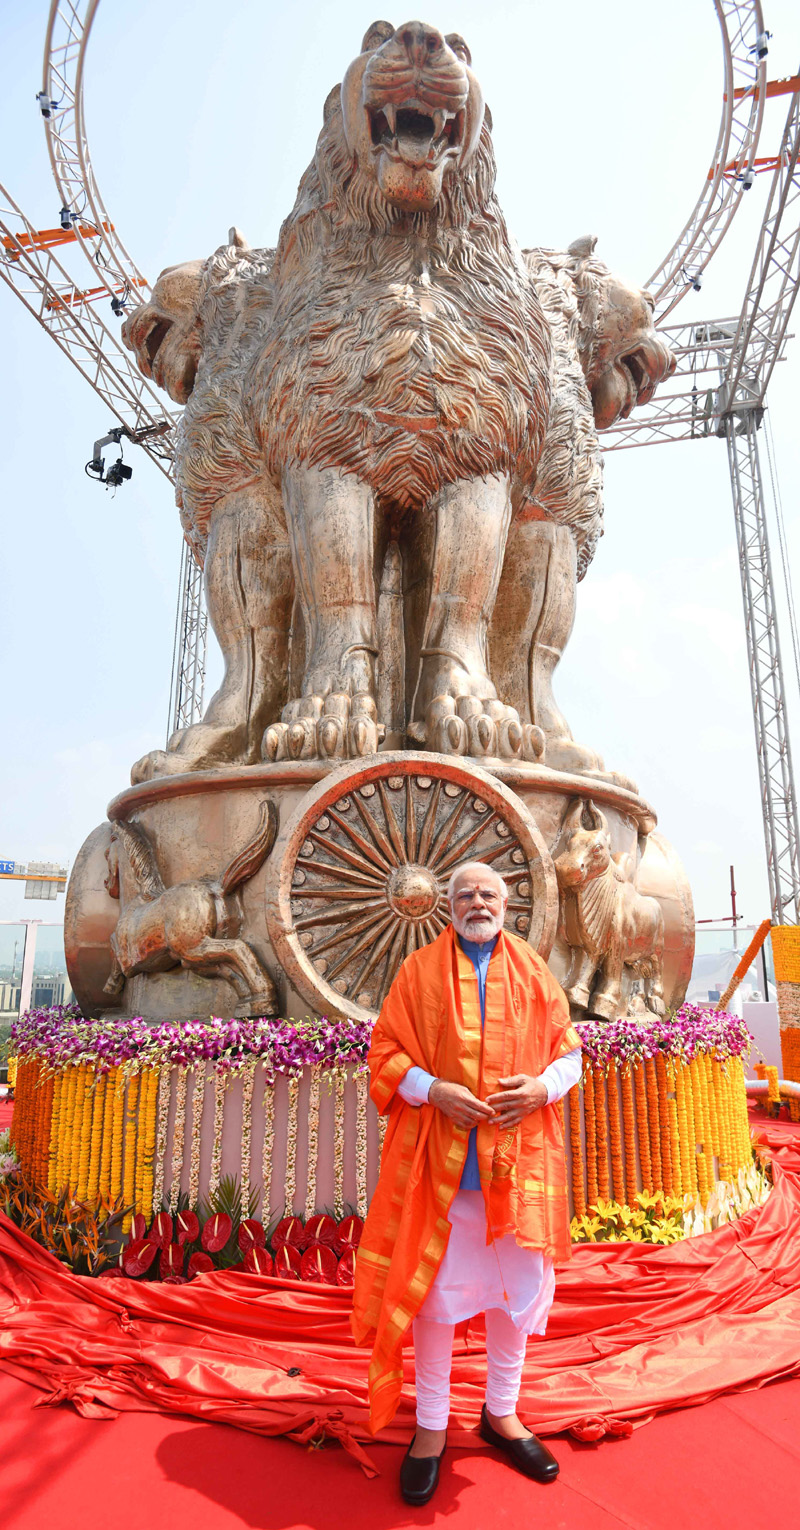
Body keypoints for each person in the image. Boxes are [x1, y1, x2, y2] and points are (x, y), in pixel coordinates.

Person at [351, 861, 582, 1505]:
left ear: (506, 904)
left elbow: (571, 1053)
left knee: (516, 1297)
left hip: (518, 1167)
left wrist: (541, 1088)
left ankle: (501, 1412)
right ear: (444, 905)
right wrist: (434, 1090)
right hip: (440, 1168)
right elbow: (385, 1052)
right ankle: (429, 1427)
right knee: (434, 1298)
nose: (476, 902)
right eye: (464, 894)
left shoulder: (535, 971)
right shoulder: (418, 971)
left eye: (488, 893)